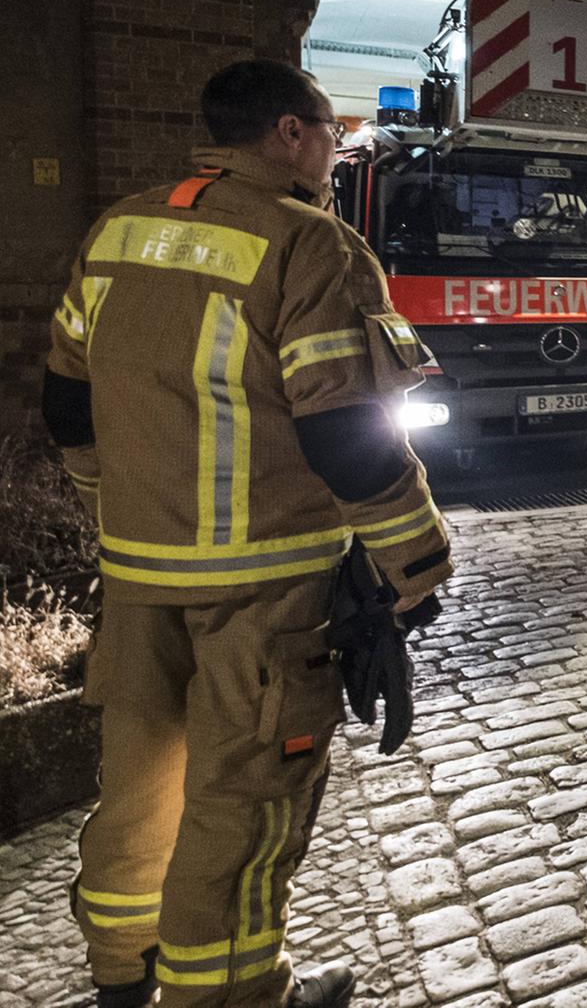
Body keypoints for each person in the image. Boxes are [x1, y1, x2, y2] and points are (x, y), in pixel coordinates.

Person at [41, 60, 454, 1007]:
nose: (334, 152)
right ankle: (228, 993)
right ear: (289, 132)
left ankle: (122, 967)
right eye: (329, 134)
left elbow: (66, 397)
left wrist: (118, 497)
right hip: (263, 588)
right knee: (246, 802)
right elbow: (345, 430)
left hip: (139, 575)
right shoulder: (310, 244)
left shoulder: (118, 231)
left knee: (138, 780)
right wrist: (417, 560)